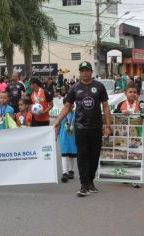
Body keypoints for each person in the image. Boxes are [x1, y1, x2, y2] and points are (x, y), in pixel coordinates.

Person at [54, 61, 112, 197]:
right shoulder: (74, 88)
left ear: (91, 72)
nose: (85, 73)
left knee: (94, 156)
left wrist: (108, 125)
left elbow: (105, 106)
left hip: (96, 127)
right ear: (79, 72)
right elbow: (67, 106)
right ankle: (84, 184)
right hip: (80, 128)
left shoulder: (99, 86)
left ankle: (90, 181)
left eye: (87, 70)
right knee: (82, 156)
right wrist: (58, 121)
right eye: (82, 70)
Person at [56, 98, 77, 183]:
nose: (70, 106)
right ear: (64, 105)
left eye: (72, 104)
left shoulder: (76, 115)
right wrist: (55, 135)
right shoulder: (61, 115)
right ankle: (65, 172)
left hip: (73, 138)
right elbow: (58, 126)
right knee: (64, 154)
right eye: (67, 105)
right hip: (64, 138)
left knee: (72, 155)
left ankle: (71, 171)